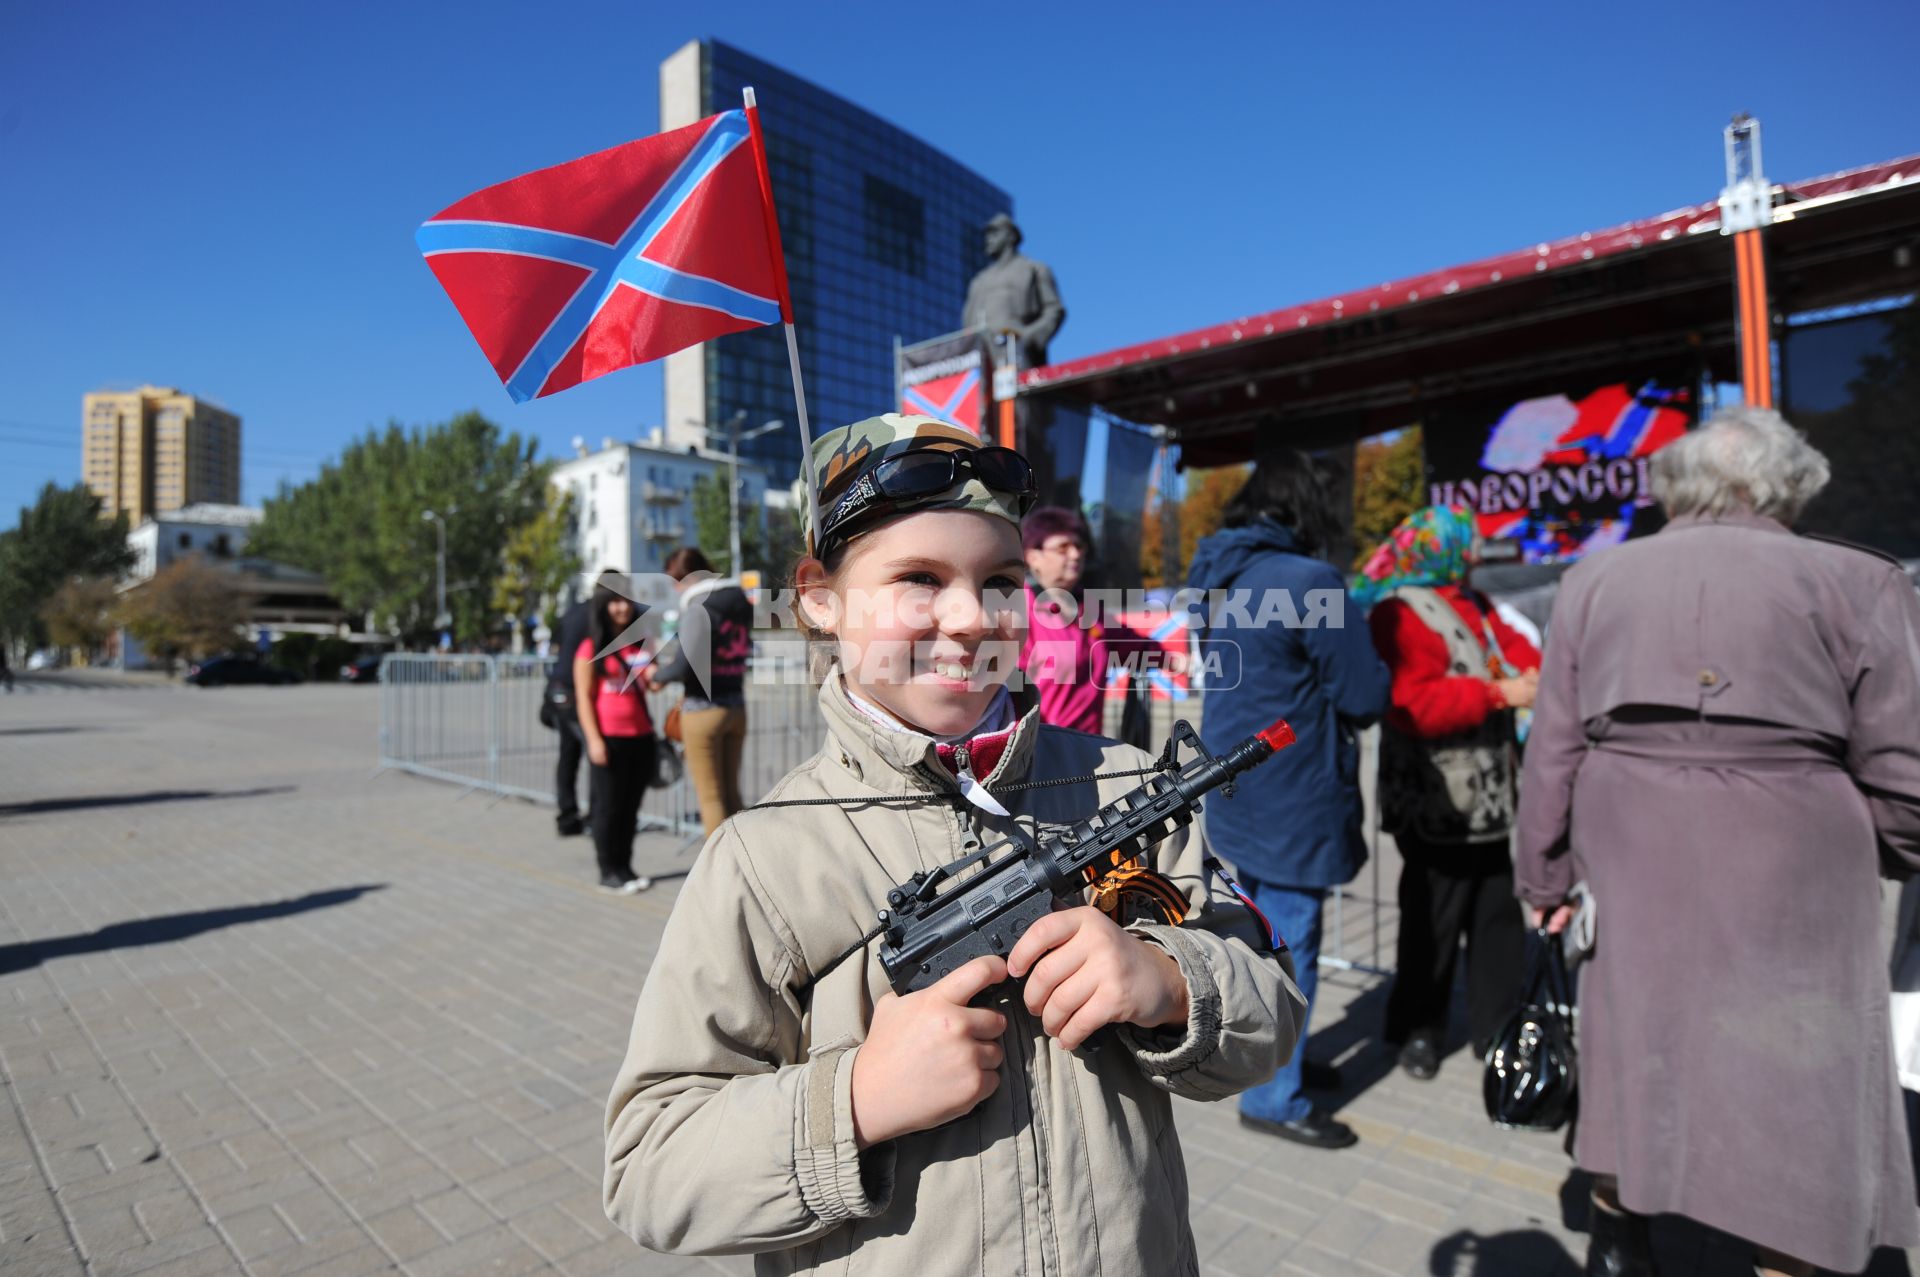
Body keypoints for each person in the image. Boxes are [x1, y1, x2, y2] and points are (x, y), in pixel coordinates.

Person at [604, 414, 1301, 1274]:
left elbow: (1274, 1011)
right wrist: (853, 1100)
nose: (972, 618)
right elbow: (648, 1168)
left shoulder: (1123, 782)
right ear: (820, 597)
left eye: (1001, 579)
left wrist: (1167, 981)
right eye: (920, 578)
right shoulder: (762, 857)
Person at [1514, 408, 1920, 1277]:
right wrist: (1878, 851)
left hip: (1628, 841)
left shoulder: (1591, 580)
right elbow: (1902, 767)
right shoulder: (1861, 580)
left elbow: (1552, 752)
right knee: (1798, 1069)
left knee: (1634, 1034)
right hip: (1799, 855)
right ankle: (1787, 1255)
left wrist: (1542, 878)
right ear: (1787, 486)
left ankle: (1618, 1232)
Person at [1185, 450, 1389, 1150]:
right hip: (1294, 793)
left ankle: (1276, 1054)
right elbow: (1364, 696)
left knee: (1263, 935)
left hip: (1239, 788)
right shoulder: (1311, 579)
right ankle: (1275, 1096)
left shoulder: (1221, 577)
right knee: (1292, 938)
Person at [1352, 506, 1538, 1082]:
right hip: (1436, 803)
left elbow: (1524, 656)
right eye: (1471, 544)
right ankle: (1417, 1030)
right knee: (1430, 920)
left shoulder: (1476, 606)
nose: (1479, 555)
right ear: (1443, 547)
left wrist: (1522, 679)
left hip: (1487, 799)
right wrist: (1501, 692)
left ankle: (1497, 1029)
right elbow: (1413, 704)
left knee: (1497, 918)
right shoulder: (1397, 612)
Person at [645, 547, 753, 836]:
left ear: (684, 579)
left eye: (674, 582)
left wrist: (657, 675)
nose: (674, 589)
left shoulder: (698, 608)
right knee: (733, 796)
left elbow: (683, 664)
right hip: (736, 706)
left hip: (703, 710)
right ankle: (747, 866)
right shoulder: (738, 600)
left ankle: (721, 875)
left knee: (711, 798)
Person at [573, 575, 658, 893]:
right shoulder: (589, 648)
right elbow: (584, 698)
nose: (622, 607)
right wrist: (594, 740)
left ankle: (625, 867)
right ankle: (608, 870)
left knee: (631, 807)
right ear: (604, 606)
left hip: (641, 735)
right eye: (615, 601)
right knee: (609, 808)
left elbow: (652, 682)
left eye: (626, 600)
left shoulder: (641, 643)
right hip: (609, 739)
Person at [546, 573, 621, 837]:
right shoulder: (598, 616)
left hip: (560, 689)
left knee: (568, 755)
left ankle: (567, 816)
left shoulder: (573, 612)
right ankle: (594, 817)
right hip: (580, 690)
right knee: (596, 750)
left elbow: (556, 645)